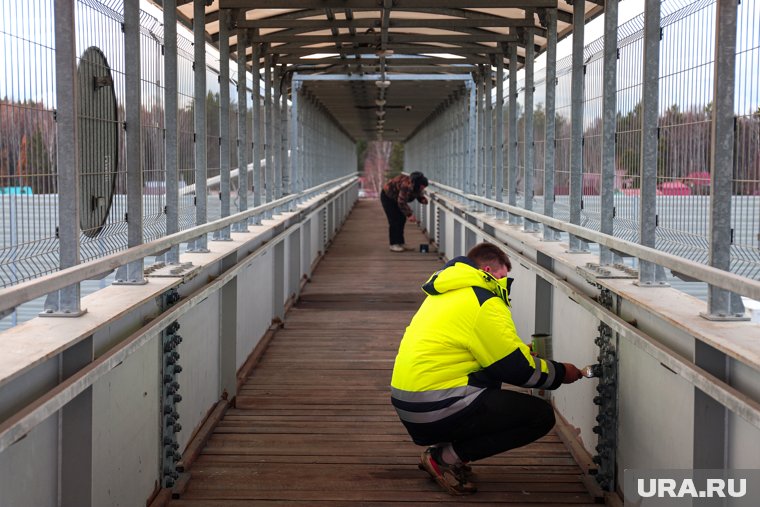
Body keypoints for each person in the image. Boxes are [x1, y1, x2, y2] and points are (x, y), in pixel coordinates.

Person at [390, 242, 583, 495]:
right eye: (503, 277)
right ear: (489, 270)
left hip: (412, 402)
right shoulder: (484, 300)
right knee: (540, 416)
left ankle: (450, 450)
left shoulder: (447, 292)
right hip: (433, 408)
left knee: (489, 378)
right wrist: (561, 373)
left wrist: (521, 352)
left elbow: (482, 349)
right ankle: (444, 458)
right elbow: (516, 371)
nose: (504, 283)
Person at [380, 171, 428, 252]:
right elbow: (401, 202)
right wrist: (409, 215)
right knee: (394, 220)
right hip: (388, 198)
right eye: (422, 187)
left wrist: (421, 199)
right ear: (417, 184)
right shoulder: (406, 185)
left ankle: (400, 243)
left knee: (401, 219)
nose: (423, 189)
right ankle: (393, 244)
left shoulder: (415, 185)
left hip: (397, 198)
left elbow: (417, 193)